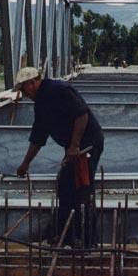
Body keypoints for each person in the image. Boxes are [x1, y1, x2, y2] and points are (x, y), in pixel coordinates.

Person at [14, 67, 104, 247]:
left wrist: (74, 145)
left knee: (82, 190)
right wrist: (25, 164)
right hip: (74, 148)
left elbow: (82, 115)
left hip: (87, 145)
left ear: (33, 82)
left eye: (24, 89)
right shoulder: (40, 103)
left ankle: (87, 240)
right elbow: (38, 136)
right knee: (64, 185)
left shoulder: (58, 90)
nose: (24, 94)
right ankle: (66, 235)